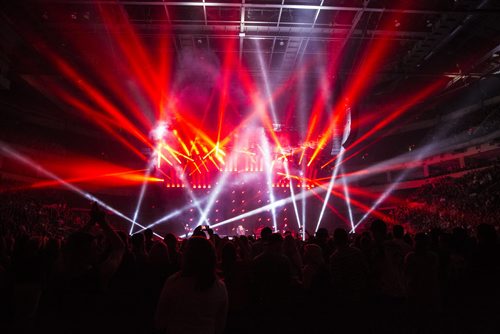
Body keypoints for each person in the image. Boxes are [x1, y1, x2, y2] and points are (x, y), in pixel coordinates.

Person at [155, 237, 228, 334]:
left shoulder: (174, 282)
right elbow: (220, 325)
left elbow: (160, 320)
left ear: (186, 257)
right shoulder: (219, 287)